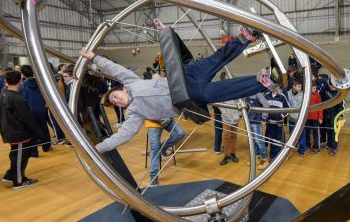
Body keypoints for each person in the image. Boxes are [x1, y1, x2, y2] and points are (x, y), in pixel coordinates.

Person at [82, 23, 272, 153]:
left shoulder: (131, 81)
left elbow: (115, 69)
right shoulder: (135, 114)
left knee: (217, 58)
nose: (116, 100)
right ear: (121, 107)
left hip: (187, 77)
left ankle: (245, 38)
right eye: (115, 103)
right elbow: (122, 136)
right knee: (223, 90)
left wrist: (94, 58)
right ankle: (260, 82)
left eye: (114, 96)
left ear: (121, 89)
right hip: (188, 96)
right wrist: (98, 148)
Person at [0, 70, 42, 189]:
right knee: (19, 157)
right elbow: (27, 118)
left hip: (10, 130)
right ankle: (18, 181)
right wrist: (39, 133)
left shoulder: (4, 93)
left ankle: (9, 175)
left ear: (6, 81)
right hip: (18, 133)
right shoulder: (17, 98)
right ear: (21, 80)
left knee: (18, 155)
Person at [20, 65, 52, 157]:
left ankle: (34, 152)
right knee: (44, 128)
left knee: (32, 131)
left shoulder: (23, 86)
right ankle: (46, 146)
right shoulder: (41, 84)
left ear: (23, 74)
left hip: (30, 111)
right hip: (41, 109)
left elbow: (23, 99)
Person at [146, 118, 185, 186]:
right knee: (155, 147)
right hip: (153, 122)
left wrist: (169, 117)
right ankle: (154, 176)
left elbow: (172, 108)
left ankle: (163, 147)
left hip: (168, 120)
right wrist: (160, 120)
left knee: (180, 133)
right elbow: (145, 113)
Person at [263, 85, 289, 162]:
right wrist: (264, 118)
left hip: (278, 123)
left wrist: (282, 115)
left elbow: (287, 108)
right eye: (273, 87)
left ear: (278, 87)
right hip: (269, 122)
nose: (274, 88)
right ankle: (272, 156)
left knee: (277, 139)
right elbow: (263, 107)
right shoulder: (266, 96)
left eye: (276, 86)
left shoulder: (282, 96)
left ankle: (276, 156)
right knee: (271, 138)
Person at [321, 80, 344, 156]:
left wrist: (340, 117)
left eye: (333, 86)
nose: (332, 87)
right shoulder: (325, 91)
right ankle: (329, 143)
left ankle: (334, 147)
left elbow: (341, 107)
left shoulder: (339, 94)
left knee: (334, 132)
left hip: (335, 116)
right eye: (331, 85)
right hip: (326, 114)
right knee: (328, 130)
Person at [246, 93, 268, 169]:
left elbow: (266, 105)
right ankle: (257, 158)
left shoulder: (258, 94)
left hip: (256, 121)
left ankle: (265, 160)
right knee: (253, 141)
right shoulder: (246, 93)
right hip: (248, 120)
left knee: (259, 141)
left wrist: (263, 118)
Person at [287, 80, 308, 156]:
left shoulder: (303, 94)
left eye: (300, 86)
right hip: (292, 119)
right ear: (293, 86)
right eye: (298, 86)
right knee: (292, 134)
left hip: (301, 119)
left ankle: (302, 149)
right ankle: (295, 146)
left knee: (302, 134)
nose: (300, 88)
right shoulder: (288, 94)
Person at [218, 100, 241, 166]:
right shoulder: (223, 92)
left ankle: (233, 154)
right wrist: (226, 115)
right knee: (226, 136)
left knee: (234, 135)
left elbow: (240, 102)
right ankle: (227, 155)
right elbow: (220, 105)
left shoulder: (237, 92)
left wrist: (239, 115)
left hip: (235, 118)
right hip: (226, 119)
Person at [305, 83, 324, 154]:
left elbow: (320, 107)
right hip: (307, 118)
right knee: (307, 132)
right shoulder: (305, 95)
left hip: (315, 118)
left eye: (315, 88)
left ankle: (316, 147)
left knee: (316, 132)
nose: (315, 90)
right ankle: (307, 145)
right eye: (313, 88)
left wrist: (320, 117)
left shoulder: (317, 95)